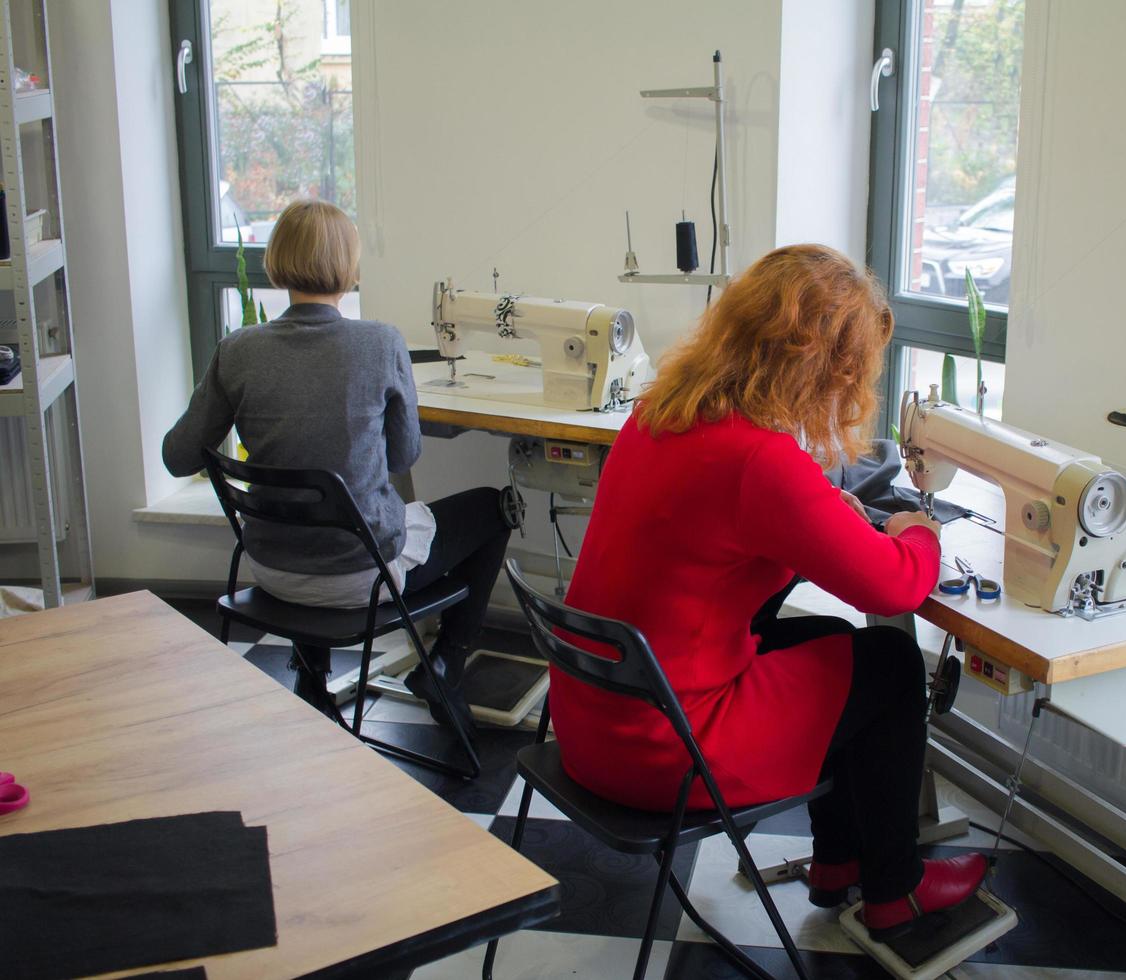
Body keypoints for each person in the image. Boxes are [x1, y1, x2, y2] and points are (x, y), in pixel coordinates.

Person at [552, 243, 988, 941]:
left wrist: (817, 522)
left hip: (595, 718)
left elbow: (716, 554)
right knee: (893, 666)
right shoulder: (758, 460)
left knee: (833, 644)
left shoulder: (664, 410)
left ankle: (838, 861)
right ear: (826, 366)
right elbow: (897, 584)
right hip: (667, 751)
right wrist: (918, 529)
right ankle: (895, 891)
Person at [162, 198, 514, 735]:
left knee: (317, 502)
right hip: (360, 579)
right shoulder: (380, 343)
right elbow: (403, 458)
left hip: (273, 571)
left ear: (277, 260)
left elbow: (177, 456)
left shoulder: (237, 350)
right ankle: (445, 663)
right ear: (348, 267)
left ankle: (311, 672)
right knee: (495, 506)